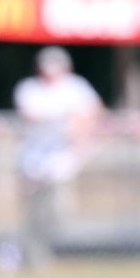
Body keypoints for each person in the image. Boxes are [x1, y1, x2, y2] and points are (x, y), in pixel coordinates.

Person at [13, 46, 102, 266]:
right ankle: (36, 255)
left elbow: (93, 113)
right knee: (35, 212)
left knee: (56, 210)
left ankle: (55, 251)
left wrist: (79, 133)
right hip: (33, 162)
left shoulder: (76, 87)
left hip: (63, 161)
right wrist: (62, 119)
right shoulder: (29, 89)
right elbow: (31, 116)